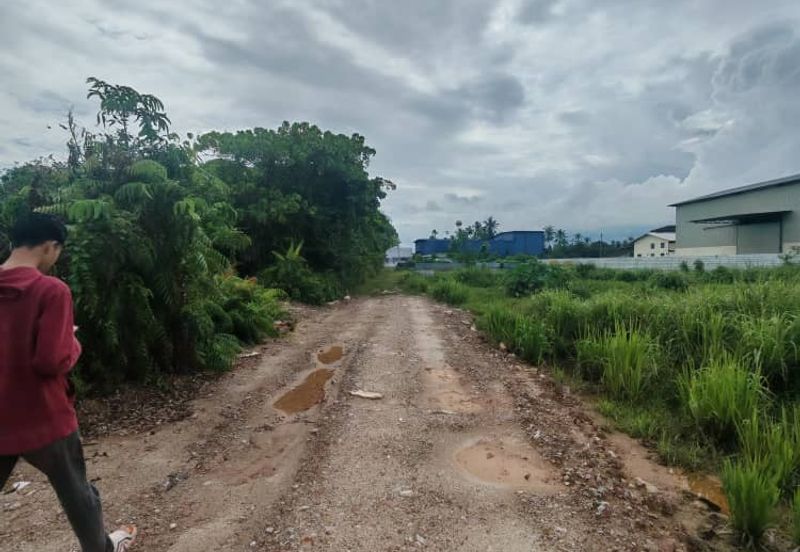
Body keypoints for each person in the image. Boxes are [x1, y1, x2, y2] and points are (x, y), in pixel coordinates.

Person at [0, 213, 137, 552]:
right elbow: (51, 361)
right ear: (50, 247)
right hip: (44, 417)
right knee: (77, 494)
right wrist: (72, 343)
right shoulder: (51, 290)